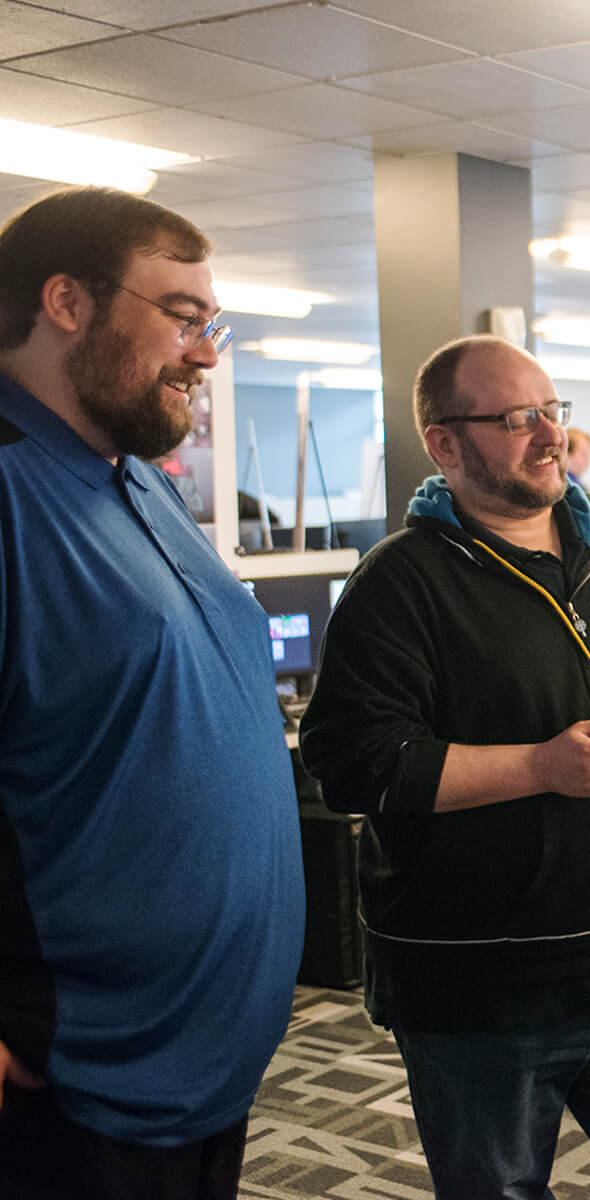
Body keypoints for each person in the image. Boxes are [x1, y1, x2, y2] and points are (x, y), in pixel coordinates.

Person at [297, 335, 590, 1200]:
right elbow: (353, 764)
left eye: (552, 411)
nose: (548, 435)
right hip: (484, 992)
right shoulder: (399, 582)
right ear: (445, 443)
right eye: (514, 419)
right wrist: (544, 766)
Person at [0, 187, 304, 1198]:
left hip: (199, 1058)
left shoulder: (137, 476)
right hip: (79, 1074)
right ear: (67, 303)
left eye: (209, 323)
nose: (206, 353)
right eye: (181, 318)